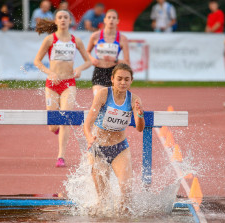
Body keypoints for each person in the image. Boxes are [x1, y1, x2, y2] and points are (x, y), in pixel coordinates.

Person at [84, 63, 145, 213]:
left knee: (126, 189)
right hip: (99, 148)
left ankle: (122, 216)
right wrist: (89, 138)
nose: (123, 82)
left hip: (120, 148)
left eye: (126, 79)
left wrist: (140, 114)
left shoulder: (134, 99)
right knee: (103, 200)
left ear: (131, 81)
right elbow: (88, 123)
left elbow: (139, 128)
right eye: (119, 79)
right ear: (112, 79)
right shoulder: (103, 94)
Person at [34, 9, 92, 167]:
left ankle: (61, 156)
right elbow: (37, 61)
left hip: (69, 84)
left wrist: (79, 69)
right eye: (60, 17)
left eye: (66, 17)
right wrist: (49, 72)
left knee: (65, 118)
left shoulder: (76, 40)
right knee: (53, 125)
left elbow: (88, 61)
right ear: (55, 21)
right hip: (52, 85)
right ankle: (57, 129)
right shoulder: (49, 39)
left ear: (70, 21)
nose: (63, 19)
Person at [86, 9, 130, 96]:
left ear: (117, 21)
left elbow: (127, 61)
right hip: (99, 71)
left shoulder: (122, 38)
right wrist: (92, 59)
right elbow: (87, 52)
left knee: (113, 101)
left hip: (114, 72)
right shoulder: (95, 36)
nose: (111, 20)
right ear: (104, 20)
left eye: (114, 18)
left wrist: (115, 60)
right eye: (109, 17)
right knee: (98, 97)